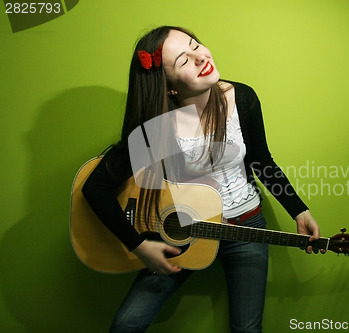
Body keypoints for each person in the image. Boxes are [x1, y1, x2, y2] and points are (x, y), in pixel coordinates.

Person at [82, 26, 324, 333]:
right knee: (126, 325)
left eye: (196, 45)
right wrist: (139, 245)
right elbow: (95, 187)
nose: (200, 57)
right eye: (184, 61)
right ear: (168, 87)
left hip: (247, 227)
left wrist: (299, 211)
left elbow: (262, 162)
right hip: (185, 233)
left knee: (248, 330)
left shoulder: (243, 98)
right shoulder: (155, 126)